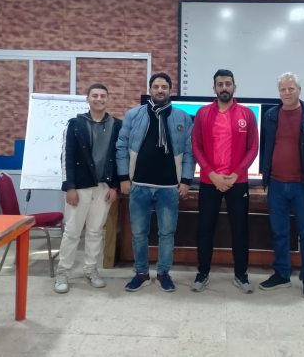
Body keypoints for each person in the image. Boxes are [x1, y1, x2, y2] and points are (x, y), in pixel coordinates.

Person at [116, 72, 194, 292]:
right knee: (138, 233)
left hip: (169, 188)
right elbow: (121, 146)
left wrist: (186, 180)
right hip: (139, 185)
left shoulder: (183, 117)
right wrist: (123, 178)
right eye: (156, 86)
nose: (160, 90)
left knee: (167, 234)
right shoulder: (134, 115)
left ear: (170, 90)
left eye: (164, 87)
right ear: (150, 89)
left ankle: (163, 273)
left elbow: (189, 152)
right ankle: (141, 273)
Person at [258, 72, 304, 299]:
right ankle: (282, 274)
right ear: (279, 92)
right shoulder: (270, 115)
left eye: (291, 88)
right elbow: (266, 145)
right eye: (283, 89)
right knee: (279, 232)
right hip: (276, 184)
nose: (287, 92)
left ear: (299, 90)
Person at [190, 69, 259, 294]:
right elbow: (196, 145)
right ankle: (202, 274)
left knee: (240, 230)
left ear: (234, 87)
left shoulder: (247, 114)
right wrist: (211, 174)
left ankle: (241, 275)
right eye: (220, 84)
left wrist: (237, 174)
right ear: (214, 88)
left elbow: (253, 148)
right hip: (209, 181)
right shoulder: (203, 113)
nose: (224, 88)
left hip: (237, 182)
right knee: (205, 229)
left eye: (228, 83)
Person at [53, 83, 123, 294]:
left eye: (103, 96)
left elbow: (119, 158)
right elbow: (67, 156)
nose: (99, 99)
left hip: (104, 188)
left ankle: (91, 270)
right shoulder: (75, 124)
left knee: (95, 231)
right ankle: (62, 272)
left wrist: (115, 186)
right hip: (80, 187)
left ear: (107, 99)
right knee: (72, 232)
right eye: (95, 95)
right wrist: (69, 187)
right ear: (88, 99)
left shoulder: (117, 125)